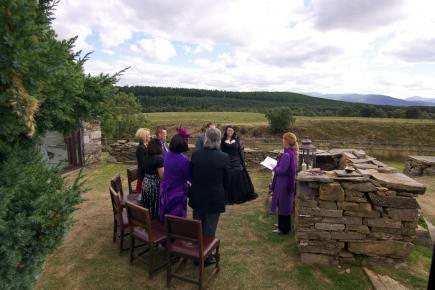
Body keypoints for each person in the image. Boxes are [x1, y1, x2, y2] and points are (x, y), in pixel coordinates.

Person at [189, 127, 229, 240]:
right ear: (218, 140)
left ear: (205, 139)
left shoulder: (196, 154)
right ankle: (207, 255)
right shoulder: (224, 157)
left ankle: (197, 250)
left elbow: (191, 174)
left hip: (197, 195)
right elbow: (227, 180)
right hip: (215, 197)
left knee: (197, 225)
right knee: (210, 228)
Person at [159, 128, 191, 221]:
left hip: (165, 188)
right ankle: (175, 233)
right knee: (176, 216)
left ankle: (166, 229)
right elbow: (189, 177)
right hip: (177, 191)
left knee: (166, 212)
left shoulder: (167, 155)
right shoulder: (184, 160)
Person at [221, 126, 257, 204]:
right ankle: (229, 195)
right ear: (226, 131)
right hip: (227, 160)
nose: (230, 132)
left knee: (238, 172)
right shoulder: (222, 140)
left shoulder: (237, 140)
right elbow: (221, 151)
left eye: (231, 130)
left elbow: (240, 151)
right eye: (228, 130)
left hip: (236, 160)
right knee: (228, 174)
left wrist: (242, 161)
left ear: (233, 131)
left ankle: (239, 194)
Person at [271, 132, 298, 235]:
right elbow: (286, 169)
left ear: (287, 141)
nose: (282, 140)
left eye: (283, 139)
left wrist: (273, 167)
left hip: (283, 183)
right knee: (284, 204)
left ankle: (283, 229)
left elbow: (282, 170)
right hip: (285, 182)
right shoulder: (290, 152)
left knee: (283, 205)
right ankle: (282, 225)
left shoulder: (287, 154)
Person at [141, 138, 164, 220]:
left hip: (146, 182)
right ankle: (154, 224)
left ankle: (147, 220)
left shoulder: (145, 157)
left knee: (147, 204)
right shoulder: (159, 159)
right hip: (154, 185)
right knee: (154, 205)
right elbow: (162, 176)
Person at [135, 128, 151, 193]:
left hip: (146, 176)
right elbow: (143, 164)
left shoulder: (146, 146)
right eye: (148, 135)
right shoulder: (141, 148)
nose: (150, 136)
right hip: (143, 176)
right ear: (144, 136)